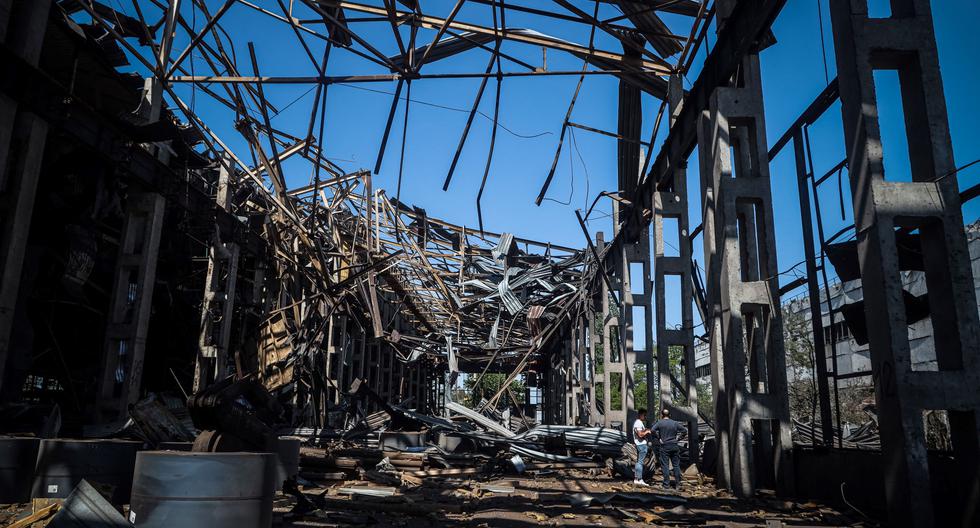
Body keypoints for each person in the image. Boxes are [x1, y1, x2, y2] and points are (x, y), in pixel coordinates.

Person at [652, 408, 687, 488]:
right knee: (676, 465)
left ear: (662, 415)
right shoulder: (674, 423)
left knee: (665, 465)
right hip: (674, 445)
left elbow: (652, 430)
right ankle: (678, 484)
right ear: (670, 415)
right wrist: (678, 438)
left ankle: (666, 485)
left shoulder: (660, 423)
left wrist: (658, 438)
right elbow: (684, 431)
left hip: (664, 446)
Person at [631, 408, 651, 486]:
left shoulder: (638, 422)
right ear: (641, 414)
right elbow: (640, 434)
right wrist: (647, 431)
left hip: (640, 444)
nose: (645, 417)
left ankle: (637, 479)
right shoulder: (638, 422)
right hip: (641, 444)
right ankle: (640, 479)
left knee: (639, 461)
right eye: (645, 415)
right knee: (640, 462)